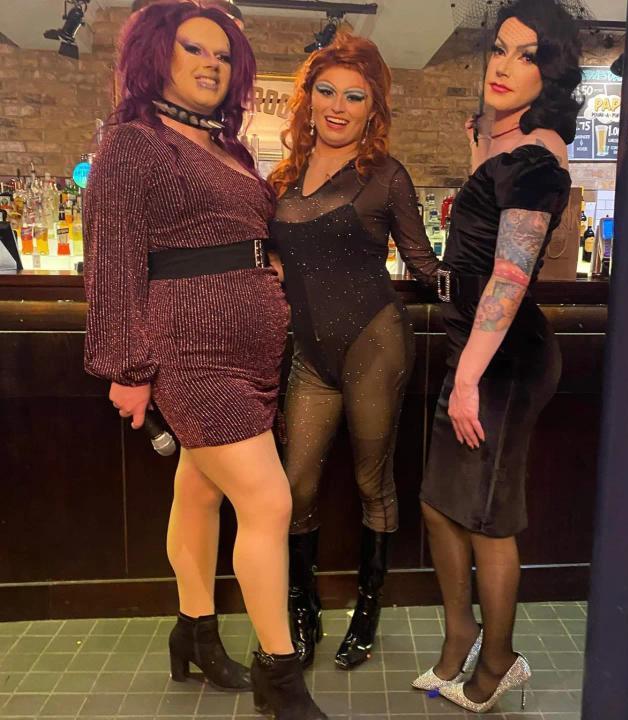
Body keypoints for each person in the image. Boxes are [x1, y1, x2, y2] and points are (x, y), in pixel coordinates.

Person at [83, 3, 325, 717]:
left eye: (223, 55)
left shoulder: (228, 148)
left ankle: (194, 632)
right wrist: (126, 368)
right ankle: (279, 676)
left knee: (199, 491)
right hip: (190, 350)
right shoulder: (133, 144)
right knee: (268, 501)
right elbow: (112, 258)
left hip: (252, 351)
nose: (212, 64)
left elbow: (242, 234)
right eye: (195, 49)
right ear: (157, 53)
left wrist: (270, 265)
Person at [416, 0, 584, 712]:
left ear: (552, 73)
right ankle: (461, 635)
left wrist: (468, 379)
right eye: (500, 49)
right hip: (473, 348)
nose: (505, 66)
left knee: (487, 518)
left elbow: (510, 278)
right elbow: (481, 239)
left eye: (528, 56)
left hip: (503, 360)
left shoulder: (539, 158)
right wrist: (478, 142)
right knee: (438, 504)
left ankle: (500, 659)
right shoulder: (504, 143)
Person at [267, 33, 441, 670]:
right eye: (327, 91)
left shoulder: (386, 177)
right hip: (311, 353)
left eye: (355, 96)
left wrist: (497, 284)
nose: (338, 106)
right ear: (309, 100)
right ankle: (303, 605)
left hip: (376, 343)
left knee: (373, 481)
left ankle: (368, 609)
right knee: (295, 486)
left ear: (374, 109)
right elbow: (270, 257)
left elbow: (424, 266)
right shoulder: (281, 177)